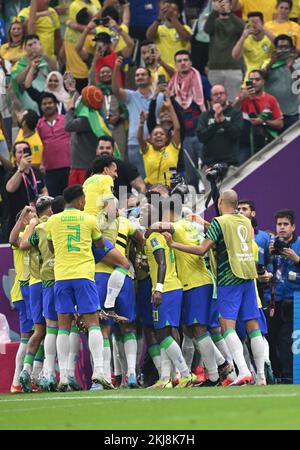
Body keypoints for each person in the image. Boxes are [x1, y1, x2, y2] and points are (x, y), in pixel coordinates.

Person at [163, 189, 266, 386]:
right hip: (248, 276)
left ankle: (243, 370)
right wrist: (204, 224)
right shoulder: (244, 221)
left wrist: (174, 244)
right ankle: (260, 376)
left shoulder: (220, 222)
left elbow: (202, 249)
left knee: (227, 326)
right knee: (253, 326)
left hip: (229, 277)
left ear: (220, 202)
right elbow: (227, 233)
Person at [140, 202, 195, 388]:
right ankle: (165, 378)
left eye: (144, 212)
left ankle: (186, 374)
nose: (140, 215)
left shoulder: (154, 237)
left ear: (153, 216)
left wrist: (159, 288)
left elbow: (162, 263)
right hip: (173, 287)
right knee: (167, 331)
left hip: (166, 289)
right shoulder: (160, 235)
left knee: (162, 333)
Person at [267, 209, 300, 384]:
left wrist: (297, 259)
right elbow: (260, 269)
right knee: (270, 339)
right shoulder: (270, 245)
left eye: (285, 224)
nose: (282, 228)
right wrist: (267, 256)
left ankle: (289, 376)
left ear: (293, 227)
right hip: (273, 299)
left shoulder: (299, 244)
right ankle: (277, 375)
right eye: (279, 224)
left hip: (294, 300)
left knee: (287, 340)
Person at [112, 56, 157, 178]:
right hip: (135, 143)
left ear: (150, 78)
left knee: (154, 178)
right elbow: (115, 90)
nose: (139, 77)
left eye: (143, 74)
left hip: (155, 143)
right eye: (137, 75)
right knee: (140, 178)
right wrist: (116, 68)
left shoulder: (158, 97)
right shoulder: (131, 96)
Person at [168, 50, 206, 193]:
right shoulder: (171, 85)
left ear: (190, 63)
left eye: (185, 60)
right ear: (176, 65)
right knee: (190, 174)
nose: (183, 63)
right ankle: (195, 198)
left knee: (206, 169)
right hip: (184, 137)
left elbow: (209, 100)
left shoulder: (201, 79)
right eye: (179, 60)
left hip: (201, 134)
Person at [197, 84, 243, 191]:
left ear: (226, 95)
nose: (218, 96)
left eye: (221, 93)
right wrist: (215, 124)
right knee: (212, 201)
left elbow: (236, 133)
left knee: (230, 198)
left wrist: (223, 121)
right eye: (215, 94)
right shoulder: (205, 116)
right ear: (211, 97)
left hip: (230, 165)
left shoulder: (235, 113)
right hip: (209, 165)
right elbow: (201, 137)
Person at [9, 207, 34, 393]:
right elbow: (11, 240)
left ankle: (27, 379)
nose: (34, 216)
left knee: (35, 334)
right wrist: (22, 218)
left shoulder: (34, 232)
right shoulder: (23, 234)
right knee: (28, 336)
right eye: (30, 214)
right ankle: (17, 380)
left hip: (30, 290)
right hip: (22, 291)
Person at [235, 69, 284, 161]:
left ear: (263, 81)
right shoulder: (243, 96)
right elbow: (232, 112)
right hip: (245, 144)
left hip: (264, 142)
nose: (254, 82)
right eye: (251, 80)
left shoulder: (271, 99)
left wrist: (263, 121)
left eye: (257, 79)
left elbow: (280, 124)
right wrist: (241, 99)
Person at [204, 0, 245, 103]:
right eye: (219, 2)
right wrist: (214, 11)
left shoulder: (236, 21)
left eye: (225, 2)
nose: (222, 5)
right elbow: (207, 29)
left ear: (231, 5)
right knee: (215, 102)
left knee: (234, 101)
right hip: (215, 68)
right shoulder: (214, 21)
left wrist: (229, 13)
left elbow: (243, 28)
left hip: (234, 67)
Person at [4, 141, 48, 236]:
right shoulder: (11, 173)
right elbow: (10, 188)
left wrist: (44, 201)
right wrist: (21, 169)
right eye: (20, 152)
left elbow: (44, 189)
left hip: (36, 218)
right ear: (15, 157)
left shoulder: (36, 171)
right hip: (18, 221)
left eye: (26, 151)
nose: (23, 154)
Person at [138, 93, 181, 186]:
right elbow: (140, 138)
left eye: (161, 134)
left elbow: (177, 128)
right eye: (155, 134)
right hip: (151, 189)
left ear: (166, 139)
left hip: (171, 189)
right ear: (150, 139)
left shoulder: (172, 148)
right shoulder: (147, 150)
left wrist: (170, 107)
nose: (158, 136)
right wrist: (141, 123)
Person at [11, 34, 57, 114]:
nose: (33, 47)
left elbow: (55, 69)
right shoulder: (19, 64)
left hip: (48, 100)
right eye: (30, 45)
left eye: (35, 43)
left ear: (40, 45)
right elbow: (17, 80)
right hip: (29, 104)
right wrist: (30, 66)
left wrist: (44, 54)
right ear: (24, 48)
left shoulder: (46, 59)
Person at [37, 92, 71, 196]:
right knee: (54, 200)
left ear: (56, 104)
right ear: (41, 106)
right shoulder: (38, 124)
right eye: (44, 103)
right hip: (49, 170)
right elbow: (39, 145)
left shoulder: (65, 119)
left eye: (50, 103)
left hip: (68, 166)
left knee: (69, 198)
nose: (47, 105)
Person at [263, 34, 299, 131]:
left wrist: (291, 67)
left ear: (292, 49)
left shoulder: (298, 64)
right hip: (273, 115)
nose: (283, 50)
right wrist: (271, 63)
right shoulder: (267, 64)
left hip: (293, 113)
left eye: (286, 47)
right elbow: (260, 79)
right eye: (280, 47)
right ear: (275, 49)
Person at [95, 136, 146, 202]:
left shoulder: (126, 167)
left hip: (125, 208)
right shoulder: (91, 171)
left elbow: (142, 187)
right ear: (96, 151)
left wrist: (138, 204)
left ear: (113, 150)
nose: (105, 150)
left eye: (108, 148)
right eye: (101, 148)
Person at [232, 11, 275, 85]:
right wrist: (243, 36)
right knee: (246, 95)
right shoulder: (245, 39)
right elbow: (235, 56)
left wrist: (264, 30)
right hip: (250, 79)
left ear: (263, 23)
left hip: (267, 78)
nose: (254, 25)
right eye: (251, 22)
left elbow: (279, 45)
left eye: (256, 22)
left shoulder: (269, 37)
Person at [146, 0, 192, 68]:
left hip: (181, 69)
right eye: (168, 11)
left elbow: (185, 37)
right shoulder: (159, 29)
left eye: (174, 10)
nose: (170, 13)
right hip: (162, 70)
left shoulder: (186, 28)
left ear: (179, 14)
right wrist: (158, 19)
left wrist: (172, 17)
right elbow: (149, 36)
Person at [95, 65, 128, 156]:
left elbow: (127, 111)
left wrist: (118, 117)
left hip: (118, 127)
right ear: (99, 75)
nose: (105, 74)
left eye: (108, 72)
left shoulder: (119, 91)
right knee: (103, 155)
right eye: (102, 72)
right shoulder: (95, 92)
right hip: (101, 128)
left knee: (120, 154)